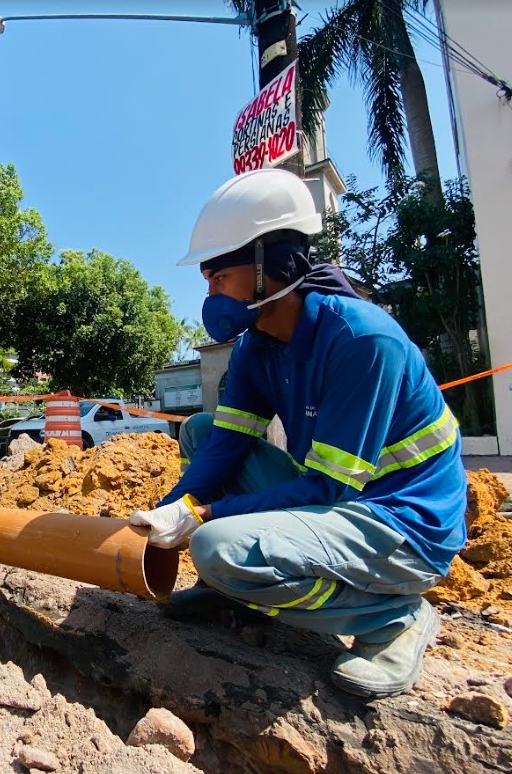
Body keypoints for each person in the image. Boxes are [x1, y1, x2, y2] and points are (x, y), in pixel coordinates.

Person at [129, 168, 467, 698]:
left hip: (403, 524)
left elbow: (327, 488)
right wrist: (169, 510)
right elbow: (226, 446)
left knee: (219, 547)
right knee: (201, 431)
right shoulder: (256, 348)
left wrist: (205, 516)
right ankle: (233, 590)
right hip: (344, 503)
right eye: (208, 281)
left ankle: (392, 618)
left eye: (220, 278)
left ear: (271, 268)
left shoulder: (361, 341)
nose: (211, 294)